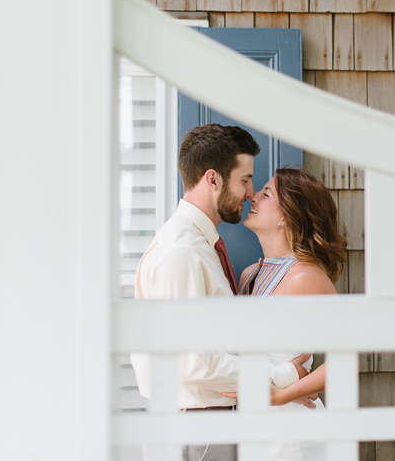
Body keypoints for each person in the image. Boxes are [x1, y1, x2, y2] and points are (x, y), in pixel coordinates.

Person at [131, 124, 312, 461]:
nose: (251, 192)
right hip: (194, 428)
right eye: (244, 180)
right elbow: (193, 362)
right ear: (212, 180)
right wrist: (283, 376)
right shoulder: (182, 252)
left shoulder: (200, 246)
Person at [222, 166, 347, 461]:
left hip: (292, 431)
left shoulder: (305, 276)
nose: (252, 197)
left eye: (266, 194)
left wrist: (284, 394)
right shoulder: (248, 275)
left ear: (286, 217)